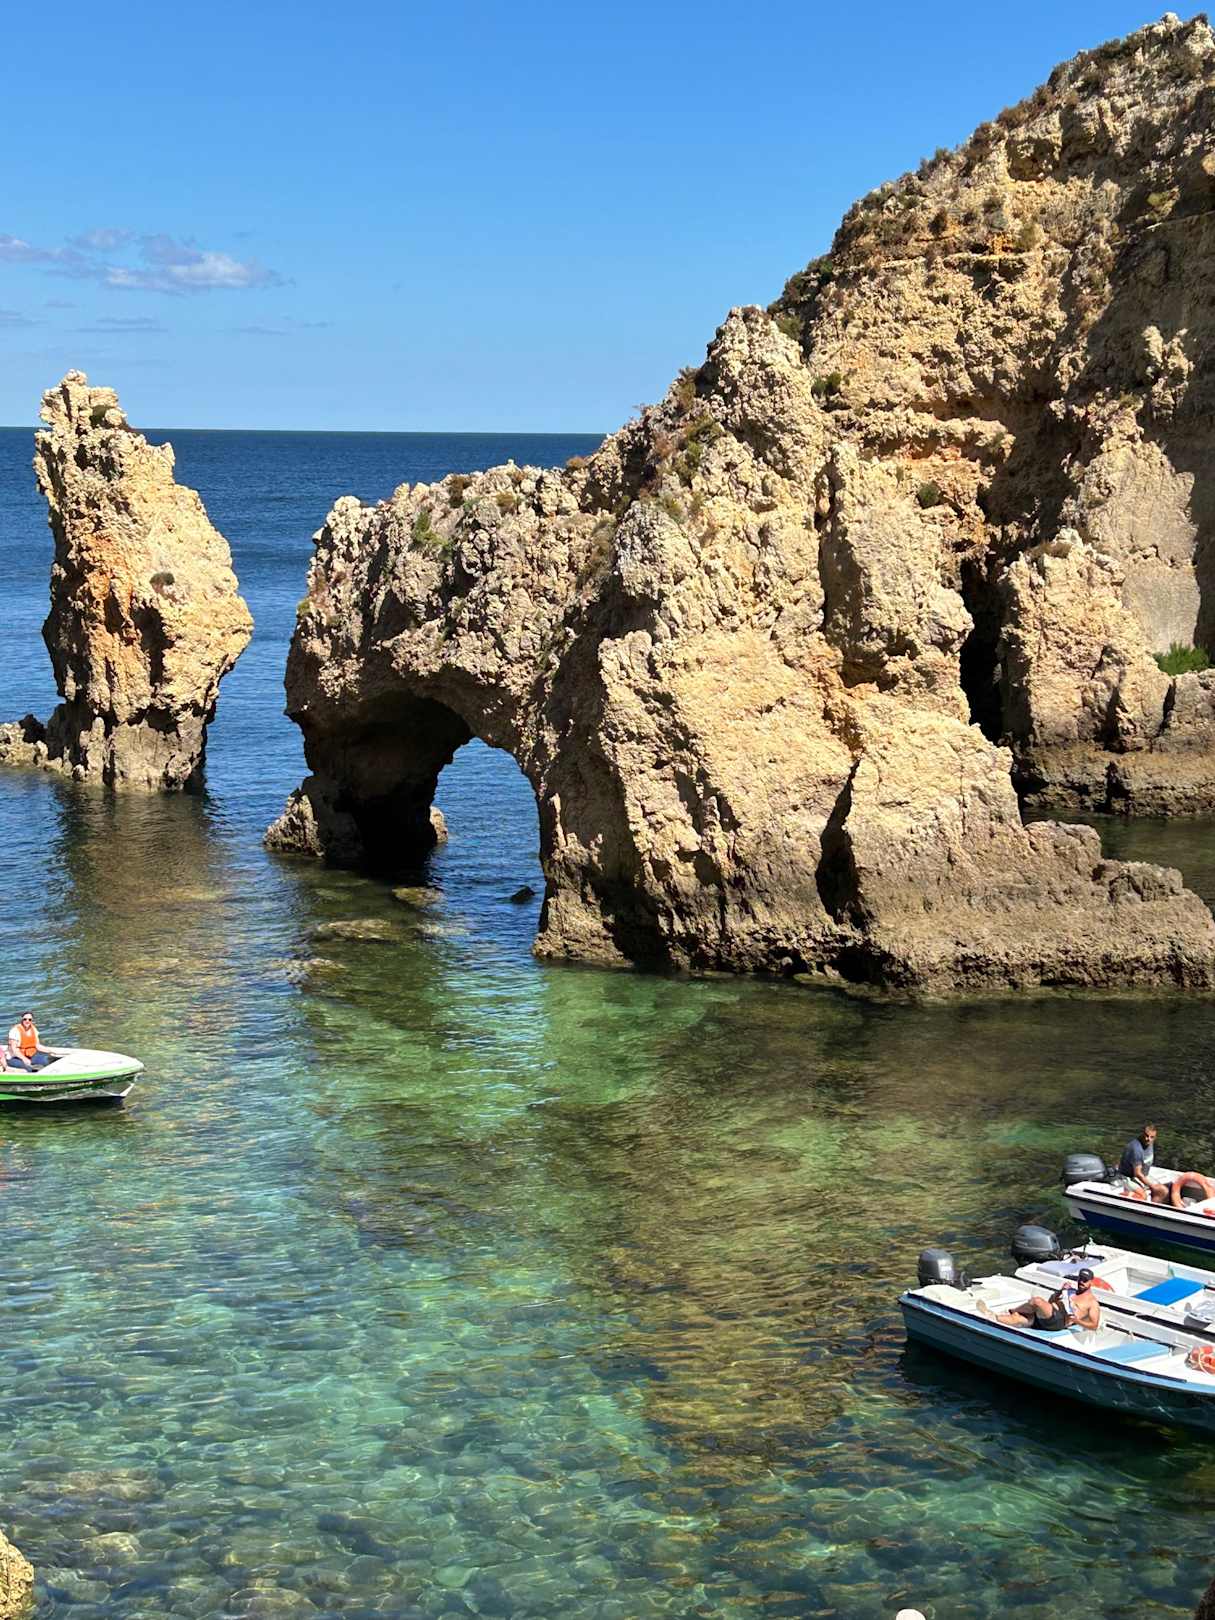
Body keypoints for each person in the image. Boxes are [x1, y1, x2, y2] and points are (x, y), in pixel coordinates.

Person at [992, 1268, 1102, 1332]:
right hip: (1047, 1316)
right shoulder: (1071, 1291)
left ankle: (1012, 1310)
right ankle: (992, 1318)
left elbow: (1094, 1325)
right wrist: (1060, 1291)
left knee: (1037, 1301)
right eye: (1080, 1279)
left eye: (1085, 1280)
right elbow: (1051, 1300)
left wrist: (1076, 1320)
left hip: (1058, 1321)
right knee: (1017, 1319)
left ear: (1091, 1282)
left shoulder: (1092, 1303)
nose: (1081, 1282)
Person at [1119, 1123, 1168, 1202]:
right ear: (1142, 1134)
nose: (1148, 1139)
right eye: (1146, 1136)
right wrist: (1152, 1186)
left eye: (1152, 1137)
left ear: (1155, 1137)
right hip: (1129, 1177)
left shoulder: (1149, 1143)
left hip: (1144, 1175)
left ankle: (1153, 1207)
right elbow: (1137, 1174)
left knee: (1163, 1190)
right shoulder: (1136, 1149)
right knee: (1143, 1196)